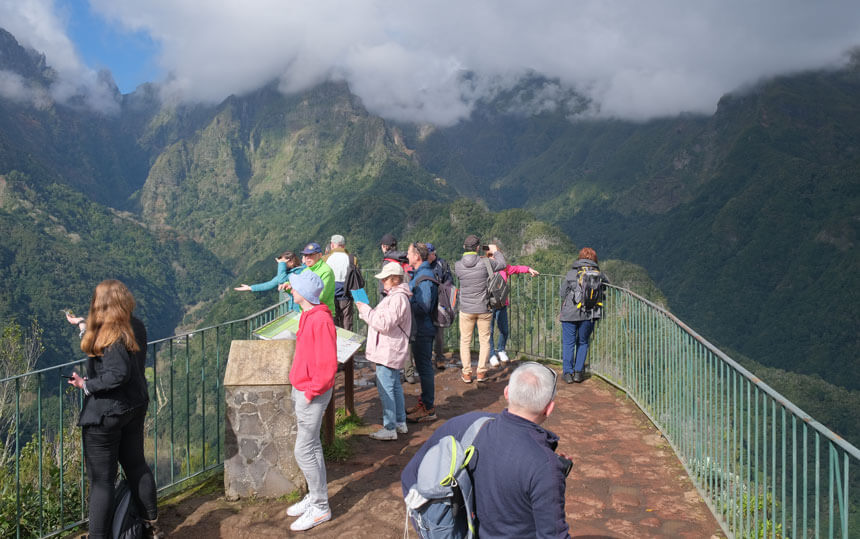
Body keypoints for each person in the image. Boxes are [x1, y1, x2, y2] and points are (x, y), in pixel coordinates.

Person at [401, 362, 571, 538]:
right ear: (549, 409)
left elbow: (410, 475)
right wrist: (549, 476)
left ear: (506, 392)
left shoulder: (469, 424)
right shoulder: (544, 466)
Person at [66, 280, 161, 539]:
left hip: (105, 415)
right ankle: (149, 524)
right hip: (134, 407)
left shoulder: (109, 334)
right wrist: (83, 326)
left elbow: (118, 373)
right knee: (136, 465)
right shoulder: (136, 326)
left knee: (102, 482)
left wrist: (86, 385)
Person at [283, 270, 338, 531]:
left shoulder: (319, 321)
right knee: (312, 447)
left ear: (303, 293)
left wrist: (310, 391)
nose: (291, 290)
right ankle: (316, 498)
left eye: (294, 288)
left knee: (303, 450)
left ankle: (320, 507)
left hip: (311, 393)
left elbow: (327, 365)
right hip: (305, 388)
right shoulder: (309, 315)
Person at [355, 262, 412, 440]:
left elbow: (384, 324)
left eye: (385, 279)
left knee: (385, 387)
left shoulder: (397, 299)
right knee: (394, 386)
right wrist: (367, 312)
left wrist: (365, 310)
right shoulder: (396, 297)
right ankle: (400, 422)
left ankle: (389, 427)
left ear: (394, 279)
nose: (382, 282)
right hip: (391, 348)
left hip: (388, 349)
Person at [454, 235, 506, 383]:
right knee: (484, 341)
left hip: (466, 309)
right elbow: (502, 264)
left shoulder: (458, 265)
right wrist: (495, 251)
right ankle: (482, 372)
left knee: (465, 341)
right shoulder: (486, 263)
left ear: (465, 247)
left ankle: (467, 373)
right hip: (484, 308)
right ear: (478, 248)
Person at [559, 247, 609, 384]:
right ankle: (578, 373)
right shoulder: (599, 274)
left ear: (580, 258)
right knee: (583, 342)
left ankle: (568, 373)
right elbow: (606, 286)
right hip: (589, 313)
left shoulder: (571, 273)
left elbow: (562, 293)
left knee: (569, 343)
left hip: (570, 314)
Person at [405, 242, 439, 423]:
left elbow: (424, 306)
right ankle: (424, 402)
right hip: (421, 328)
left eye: (409, 253)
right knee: (422, 366)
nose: (407, 255)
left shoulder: (424, 278)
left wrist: (405, 299)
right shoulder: (421, 274)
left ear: (417, 256)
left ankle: (428, 408)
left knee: (424, 368)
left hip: (423, 329)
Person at [488, 258, 540, 367]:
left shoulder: (504, 268)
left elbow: (516, 269)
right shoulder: (484, 268)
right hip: (488, 305)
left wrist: (528, 269)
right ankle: (492, 355)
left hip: (502, 304)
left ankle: (501, 350)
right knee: (489, 332)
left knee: (504, 330)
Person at [234, 251, 304, 312]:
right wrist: (250, 288)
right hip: (294, 308)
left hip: (302, 308)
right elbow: (269, 284)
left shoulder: (298, 272)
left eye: (283, 263)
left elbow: (282, 280)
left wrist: (281, 264)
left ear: (291, 262)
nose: (282, 265)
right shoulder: (287, 273)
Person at [280, 242, 335, 316]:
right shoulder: (306, 270)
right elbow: (299, 287)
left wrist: (298, 293)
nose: (307, 257)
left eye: (311, 255)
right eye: (305, 255)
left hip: (321, 314)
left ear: (320, 255)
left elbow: (320, 296)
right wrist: (288, 286)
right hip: (305, 313)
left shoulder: (326, 271)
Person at [426, 243, 452, 370]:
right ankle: (427, 358)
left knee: (439, 333)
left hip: (439, 302)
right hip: (426, 302)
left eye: (428, 253)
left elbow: (449, 280)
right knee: (426, 332)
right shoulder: (424, 264)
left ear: (433, 253)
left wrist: (440, 288)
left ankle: (439, 358)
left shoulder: (442, 264)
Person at [323, 234, 357, 330]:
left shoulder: (325, 259)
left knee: (332, 326)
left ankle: (335, 344)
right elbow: (356, 278)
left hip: (330, 296)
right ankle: (349, 344)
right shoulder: (352, 259)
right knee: (347, 325)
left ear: (332, 245)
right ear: (344, 245)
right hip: (347, 295)